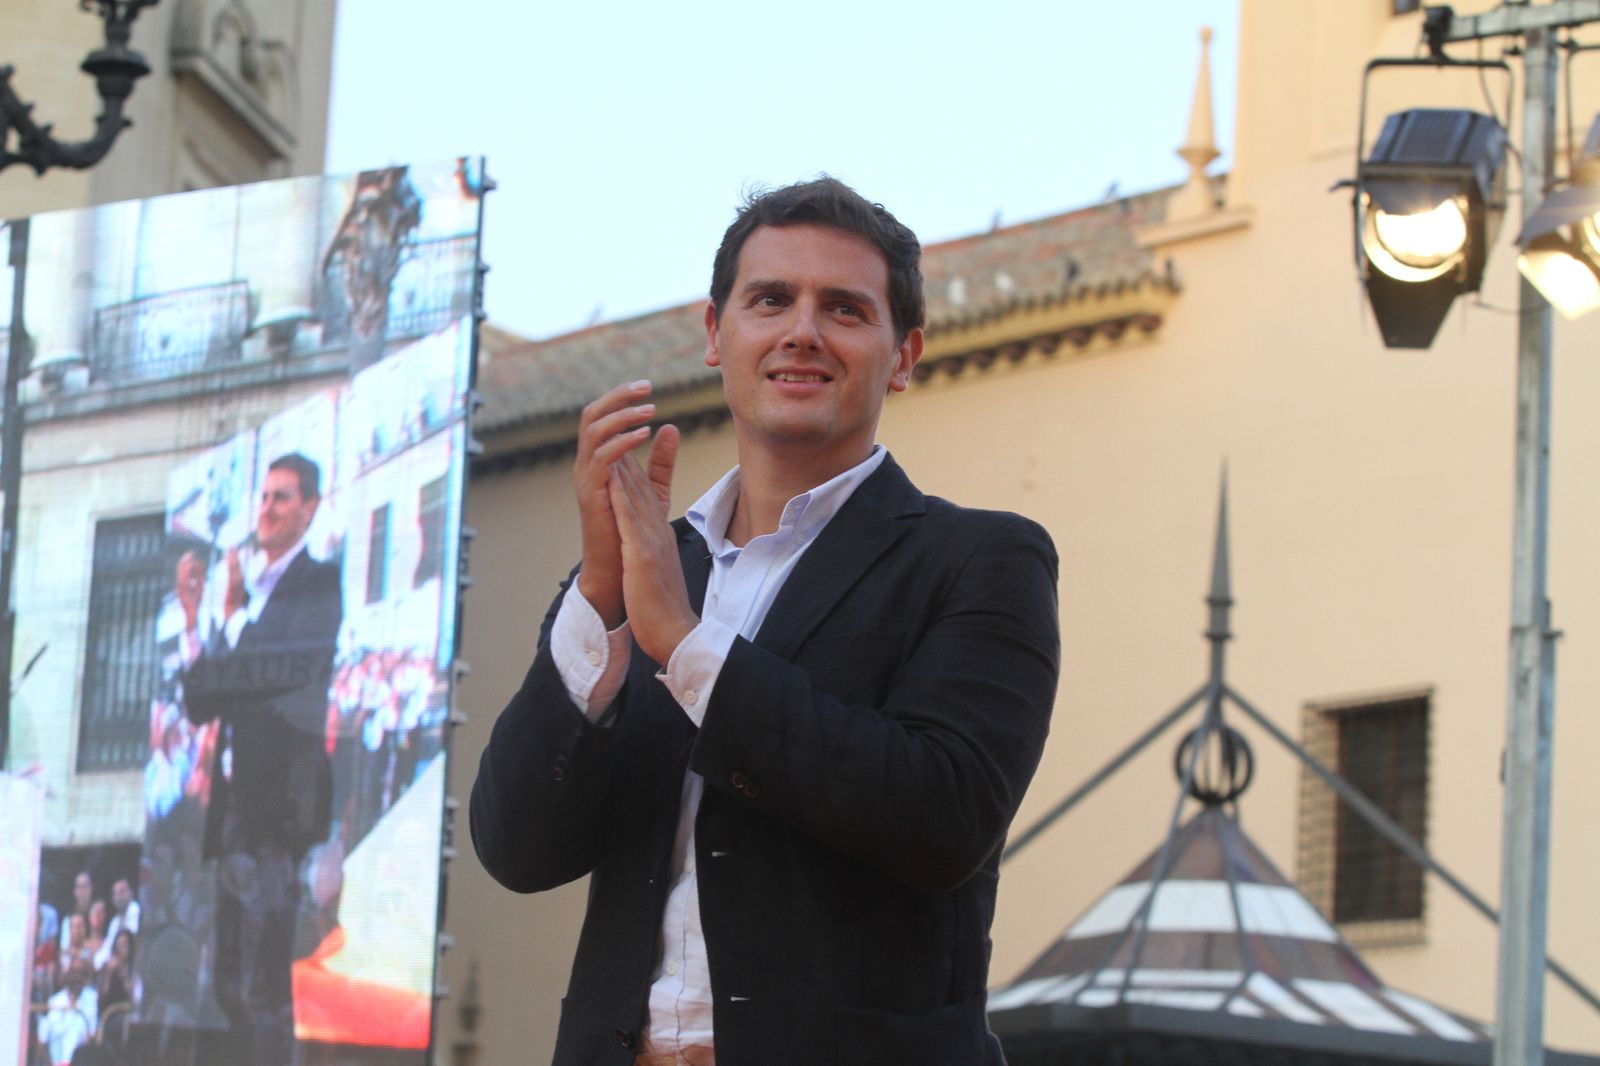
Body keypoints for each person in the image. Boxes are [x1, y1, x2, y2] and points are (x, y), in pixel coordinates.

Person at [471, 178, 1060, 1065]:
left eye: (846, 309)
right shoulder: (639, 569)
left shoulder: (982, 560)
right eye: (771, 299)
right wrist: (599, 591)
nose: (802, 331)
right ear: (717, 334)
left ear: (903, 356)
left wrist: (685, 641)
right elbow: (516, 846)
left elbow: (942, 818)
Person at [177, 451, 343, 1066]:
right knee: (228, 983)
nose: (267, 510)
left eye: (281, 497)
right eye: (264, 497)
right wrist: (197, 622)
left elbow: (270, 676)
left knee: (268, 984)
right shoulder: (244, 602)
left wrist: (231, 613)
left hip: (278, 821)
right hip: (233, 822)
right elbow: (200, 702)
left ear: (309, 508)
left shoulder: (318, 583)